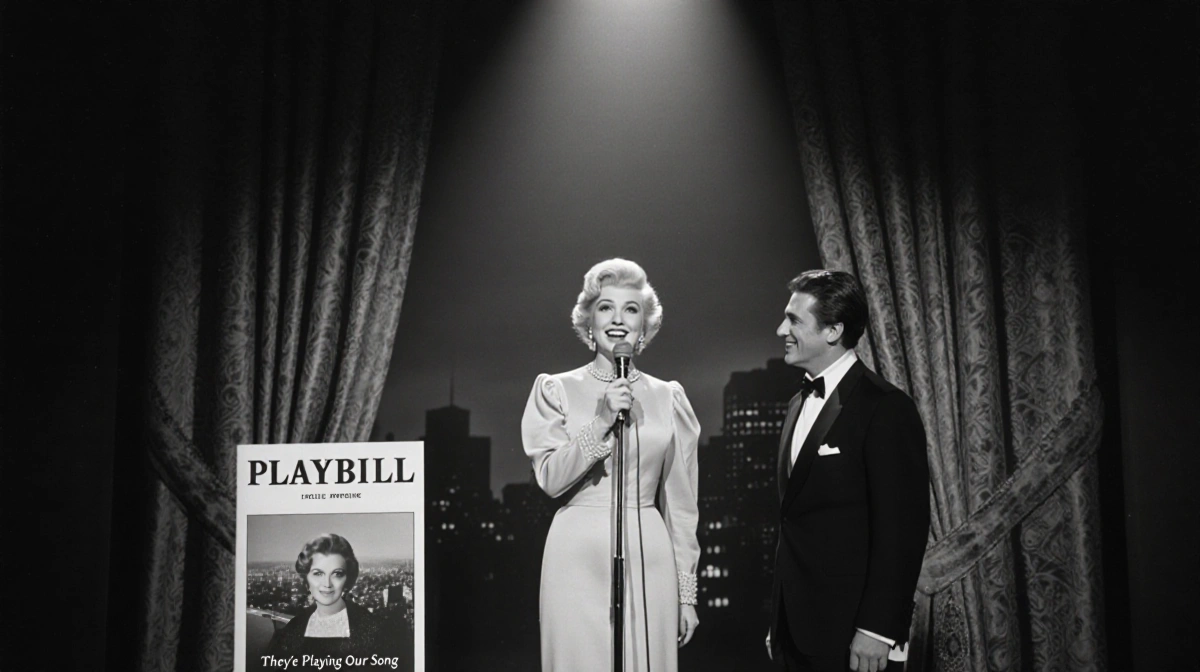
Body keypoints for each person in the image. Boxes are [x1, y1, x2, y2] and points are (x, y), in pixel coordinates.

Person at [522, 258, 700, 671]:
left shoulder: (668, 396)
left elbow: (682, 504)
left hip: (650, 555)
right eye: (606, 307)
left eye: (631, 309)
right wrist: (601, 422)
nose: (618, 319)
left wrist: (686, 593)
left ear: (644, 327)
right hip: (575, 557)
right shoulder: (555, 389)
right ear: (588, 319)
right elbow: (550, 479)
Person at [767, 270, 930, 672]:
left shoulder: (886, 407)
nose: (780, 329)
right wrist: (780, 620)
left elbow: (902, 530)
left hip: (855, 638)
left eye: (794, 320)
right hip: (795, 632)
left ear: (833, 330)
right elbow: (795, 523)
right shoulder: (795, 404)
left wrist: (877, 630)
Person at [264, 533, 401, 670]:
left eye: (337, 574)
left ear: (348, 579)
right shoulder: (291, 631)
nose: (327, 584)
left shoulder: (375, 632)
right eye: (318, 573)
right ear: (306, 579)